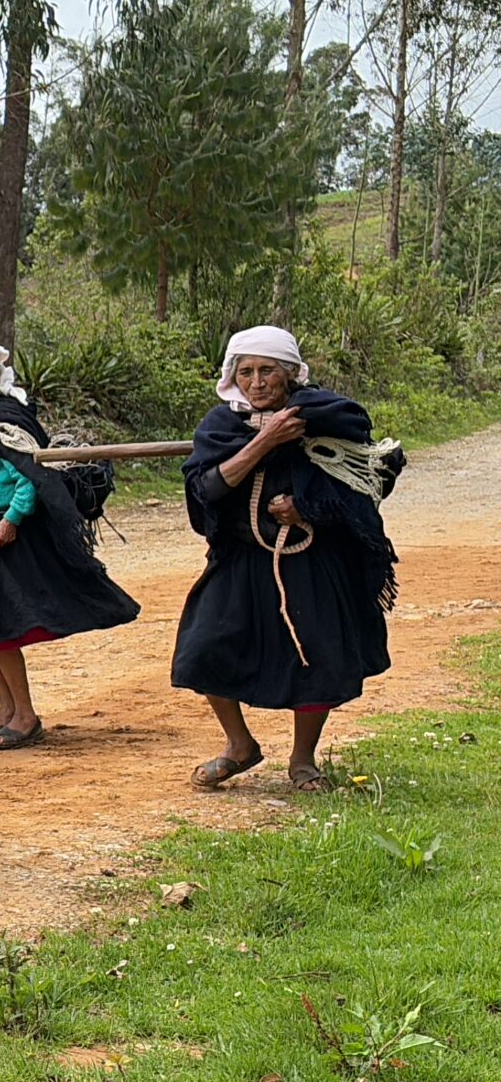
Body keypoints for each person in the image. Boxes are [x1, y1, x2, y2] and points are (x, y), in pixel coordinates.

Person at [173, 325, 403, 792]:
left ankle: (303, 762)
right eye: (246, 372)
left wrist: (309, 505)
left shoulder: (329, 417)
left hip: (311, 559)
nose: (256, 382)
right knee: (203, 648)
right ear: (232, 377)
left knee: (317, 656)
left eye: (267, 371)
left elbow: (370, 474)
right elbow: (208, 488)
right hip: (241, 557)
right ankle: (240, 746)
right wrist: (267, 439)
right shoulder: (221, 426)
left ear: (292, 374)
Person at [0, 345, 139, 750]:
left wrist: (13, 518)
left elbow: (28, 473)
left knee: (0, 628)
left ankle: (25, 716)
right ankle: (5, 710)